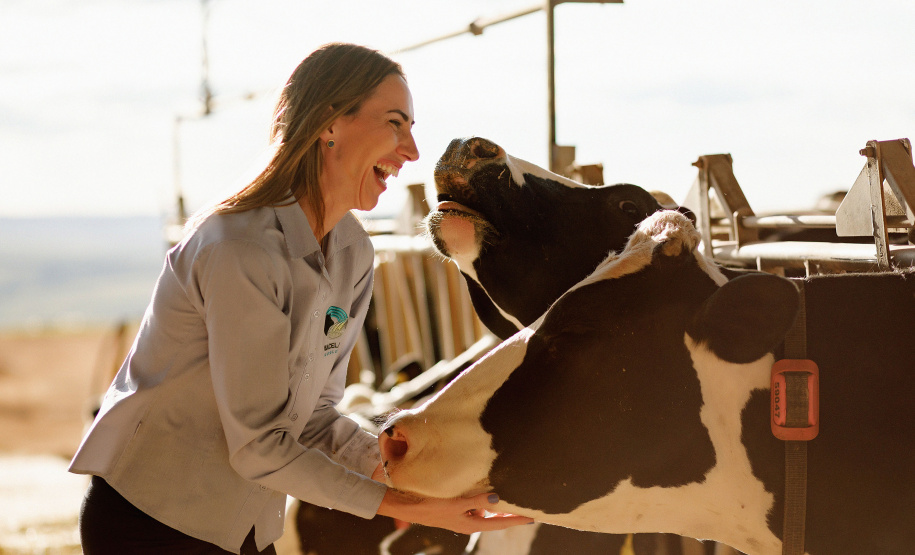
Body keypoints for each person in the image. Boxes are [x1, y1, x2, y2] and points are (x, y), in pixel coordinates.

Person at [70, 42, 532, 555]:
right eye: (396, 124)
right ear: (329, 123)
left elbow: (314, 416)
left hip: (242, 523)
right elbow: (261, 446)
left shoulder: (353, 252)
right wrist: (411, 506)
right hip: (150, 523)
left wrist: (413, 473)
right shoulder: (239, 249)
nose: (412, 152)